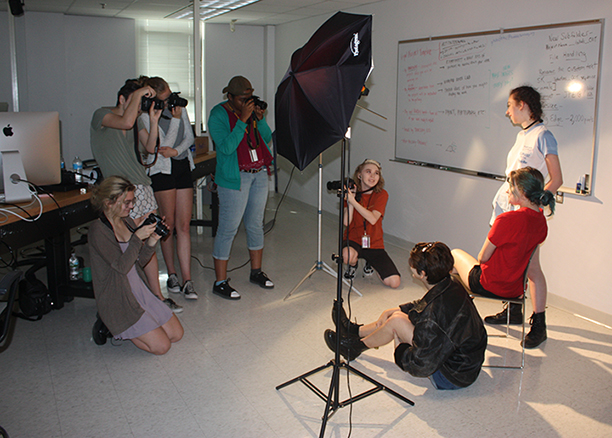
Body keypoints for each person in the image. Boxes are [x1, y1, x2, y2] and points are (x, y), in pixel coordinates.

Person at [325, 242, 487, 390]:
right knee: (396, 315)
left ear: (422, 274)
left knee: (396, 321)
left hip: (450, 376)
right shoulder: (451, 284)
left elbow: (422, 365)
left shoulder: (433, 316)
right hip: (467, 364)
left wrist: (400, 349)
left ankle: (354, 347)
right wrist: (399, 309)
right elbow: (424, 305)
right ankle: (354, 331)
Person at [90, 78, 183, 313]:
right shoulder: (101, 115)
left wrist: (152, 122)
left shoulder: (133, 122)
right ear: (122, 99)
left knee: (147, 240)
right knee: (126, 244)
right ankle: (139, 295)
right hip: (117, 191)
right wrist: (142, 91)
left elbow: (151, 148)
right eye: (137, 101)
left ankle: (156, 297)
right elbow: (125, 120)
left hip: (140, 186)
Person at [487, 85, 563, 348]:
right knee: (510, 263)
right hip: (508, 208)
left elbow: (557, 178)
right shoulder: (523, 135)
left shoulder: (544, 135)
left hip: (524, 214)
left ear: (522, 105)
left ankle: (539, 324)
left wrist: (534, 204)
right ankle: (513, 310)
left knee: (531, 268)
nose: (507, 112)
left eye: (510, 105)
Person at [453, 167, 556, 348]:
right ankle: (523, 315)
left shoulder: (506, 220)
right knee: (533, 270)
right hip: (515, 290)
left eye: (511, 187)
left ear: (523, 192)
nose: (507, 190)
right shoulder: (541, 222)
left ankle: (456, 321)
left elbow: (483, 257)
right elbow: (531, 267)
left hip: (487, 284)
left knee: (453, 255)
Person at [89, 176, 184, 355]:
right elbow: (121, 267)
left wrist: (152, 240)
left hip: (139, 290)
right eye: (127, 202)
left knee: (176, 334)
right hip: (119, 296)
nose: (131, 206)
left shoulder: (127, 221)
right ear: (109, 203)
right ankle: (112, 325)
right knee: (162, 347)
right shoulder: (98, 230)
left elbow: (138, 261)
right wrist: (137, 238)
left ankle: (141, 325)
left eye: (132, 202)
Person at [207, 76, 274, 300]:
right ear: (230, 97)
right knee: (228, 228)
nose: (247, 102)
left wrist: (260, 119)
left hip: (259, 174)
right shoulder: (218, 114)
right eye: (242, 99)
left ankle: (256, 272)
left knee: (255, 224)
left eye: (249, 98)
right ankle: (220, 281)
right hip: (235, 178)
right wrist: (243, 120)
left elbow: (265, 139)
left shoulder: (250, 112)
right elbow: (225, 148)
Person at [138, 76, 198, 301]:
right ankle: (171, 274)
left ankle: (187, 280)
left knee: (184, 225)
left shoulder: (178, 108)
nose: (170, 101)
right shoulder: (145, 117)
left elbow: (189, 136)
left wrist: (176, 152)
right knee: (168, 225)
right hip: (162, 171)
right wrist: (174, 121)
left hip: (181, 165)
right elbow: (161, 146)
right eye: (164, 99)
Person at [342, 159, 401, 288]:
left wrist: (353, 201)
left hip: (374, 242)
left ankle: (370, 262)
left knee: (394, 283)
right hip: (353, 239)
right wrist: (351, 200)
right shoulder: (352, 194)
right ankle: (353, 265)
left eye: (376, 173)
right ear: (359, 175)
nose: (373, 176)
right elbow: (346, 222)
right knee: (347, 256)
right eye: (368, 172)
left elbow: (373, 219)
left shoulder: (382, 194)